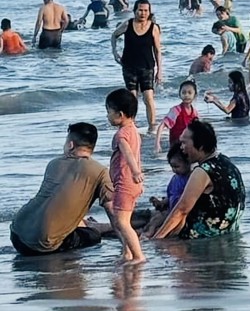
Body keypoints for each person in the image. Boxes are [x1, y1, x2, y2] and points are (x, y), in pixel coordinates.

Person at [9, 122, 114, 256]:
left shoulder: (53, 163)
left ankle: (88, 224)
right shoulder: (101, 172)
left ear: (70, 145)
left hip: (16, 232)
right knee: (93, 236)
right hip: (42, 245)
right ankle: (94, 227)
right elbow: (112, 212)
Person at [152, 120, 246, 240]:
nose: (181, 148)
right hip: (227, 235)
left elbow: (182, 209)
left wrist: (157, 239)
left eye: (184, 143)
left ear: (200, 146)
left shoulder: (202, 171)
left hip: (202, 240)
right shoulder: (226, 162)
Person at [105, 88, 145, 265]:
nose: (107, 116)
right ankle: (127, 253)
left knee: (121, 222)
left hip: (126, 182)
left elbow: (128, 153)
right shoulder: (133, 130)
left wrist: (135, 171)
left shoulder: (121, 135)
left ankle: (138, 256)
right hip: (132, 184)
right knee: (125, 220)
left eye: (108, 112)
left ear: (120, 114)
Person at [111, 0, 162, 132]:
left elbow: (157, 50)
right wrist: (115, 52)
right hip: (129, 66)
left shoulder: (153, 28)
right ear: (135, 11)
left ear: (149, 12)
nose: (143, 13)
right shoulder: (127, 24)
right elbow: (114, 35)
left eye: (146, 10)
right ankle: (131, 126)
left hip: (147, 66)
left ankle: (152, 127)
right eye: (140, 10)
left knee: (148, 97)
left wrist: (160, 70)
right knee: (132, 98)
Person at [140, 145, 192, 238]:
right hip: (170, 210)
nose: (174, 170)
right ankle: (148, 230)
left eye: (177, 166)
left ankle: (150, 232)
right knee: (156, 218)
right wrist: (160, 202)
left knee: (160, 220)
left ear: (188, 163)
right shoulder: (175, 179)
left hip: (179, 214)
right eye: (172, 167)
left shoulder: (192, 179)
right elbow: (171, 196)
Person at [155, 80, 200, 155]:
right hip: (176, 147)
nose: (186, 95)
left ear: (195, 95)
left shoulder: (195, 113)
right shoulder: (176, 110)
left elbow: (197, 131)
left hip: (188, 147)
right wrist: (157, 143)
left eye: (189, 93)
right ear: (179, 94)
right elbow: (162, 126)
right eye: (183, 92)